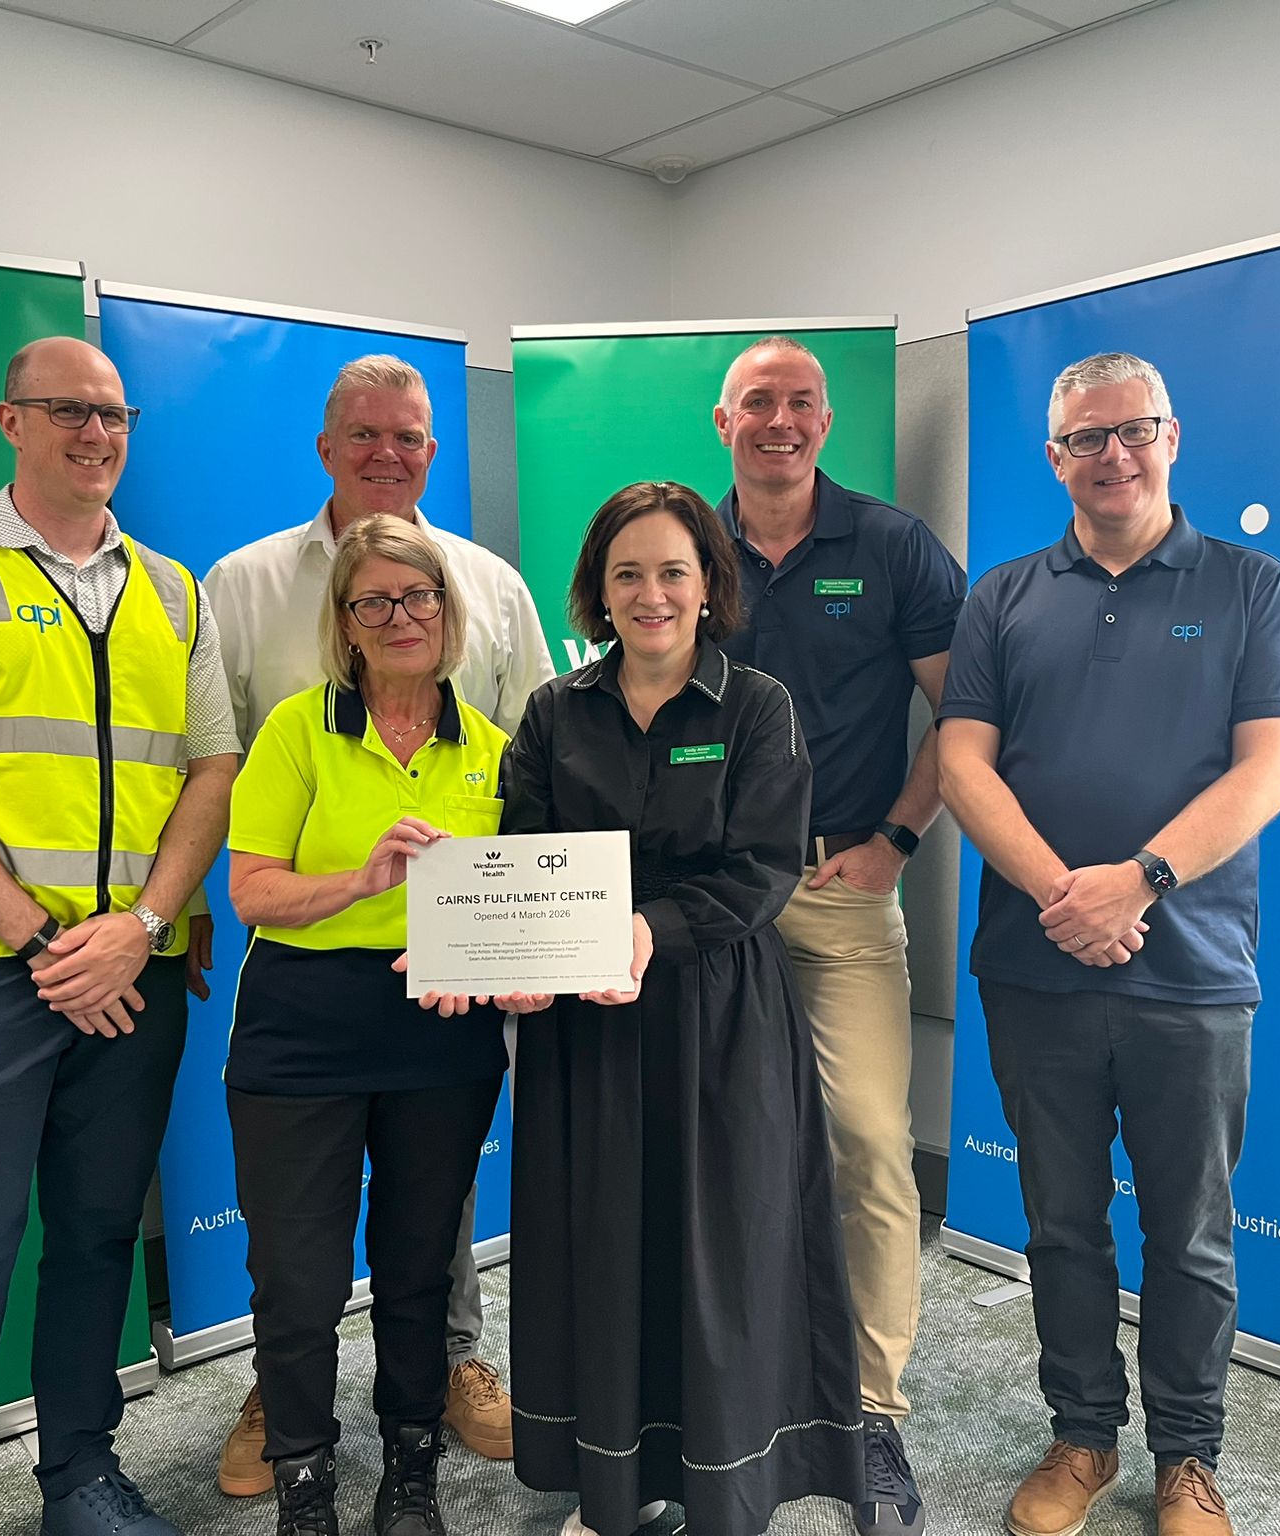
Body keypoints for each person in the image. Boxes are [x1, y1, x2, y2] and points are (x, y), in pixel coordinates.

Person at [0, 337, 239, 1536]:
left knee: (99, 1235)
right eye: (69, 411)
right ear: (9, 421)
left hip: (135, 975)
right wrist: (44, 946)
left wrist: (144, 926)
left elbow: (212, 769)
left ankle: (79, 1476)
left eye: (115, 415)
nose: (97, 434)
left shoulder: (172, 590)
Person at [935, 353, 1280, 1536]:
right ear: (1053, 459)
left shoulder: (1254, 587)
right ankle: (1081, 1435)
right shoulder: (1000, 596)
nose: (1111, 454)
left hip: (1192, 972)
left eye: (1132, 430)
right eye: (1084, 439)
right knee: (1056, 1220)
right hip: (1035, 962)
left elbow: (1269, 766)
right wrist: (1066, 894)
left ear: (1171, 434)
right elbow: (958, 762)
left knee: (1189, 1231)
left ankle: (1187, 1460)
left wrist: (1139, 881)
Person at [205, 354, 550, 1491]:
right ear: (325, 446)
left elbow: (540, 776)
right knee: (296, 1261)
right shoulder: (245, 589)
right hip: (303, 976)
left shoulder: (495, 587)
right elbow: (221, 778)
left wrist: (529, 939)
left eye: (407, 437)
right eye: (363, 435)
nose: (386, 455)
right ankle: (287, 1395)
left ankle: (442, 1374)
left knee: (423, 1234)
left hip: (445, 985)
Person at [498, 481, 864, 1536]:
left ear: (708, 587)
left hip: (718, 1016)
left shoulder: (756, 707)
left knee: (721, 1255)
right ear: (595, 595)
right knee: (603, 1245)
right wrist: (517, 954)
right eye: (627, 574)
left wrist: (649, 931)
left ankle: (724, 1489)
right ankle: (613, 1490)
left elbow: (759, 872)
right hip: (589, 1022)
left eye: (672, 571)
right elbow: (524, 856)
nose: (650, 593)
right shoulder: (552, 712)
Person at [713, 336, 964, 1536]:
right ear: (723, 423)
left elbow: (962, 713)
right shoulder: (686, 548)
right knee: (711, 1154)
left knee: (868, 1141)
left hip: (839, 892)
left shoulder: (892, 545)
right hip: (707, 904)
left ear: (825, 421)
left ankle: (869, 1412)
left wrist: (899, 840)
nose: (780, 420)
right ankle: (717, 1397)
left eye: (799, 402)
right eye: (757, 401)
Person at [225, 514, 511, 1536]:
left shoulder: (491, 752)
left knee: (415, 1268)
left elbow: (512, 908)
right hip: (300, 1025)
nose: (400, 617)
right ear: (345, 624)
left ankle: (410, 1468)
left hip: (440, 1035)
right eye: (374, 601)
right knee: (296, 1280)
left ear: (448, 611)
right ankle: (304, 1476)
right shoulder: (298, 728)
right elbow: (251, 892)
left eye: (419, 596)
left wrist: (507, 973)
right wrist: (361, 879)